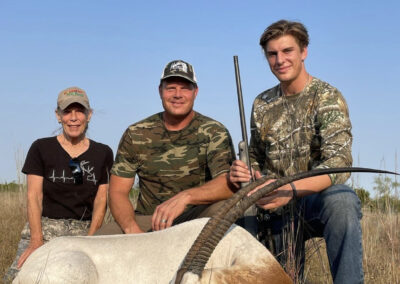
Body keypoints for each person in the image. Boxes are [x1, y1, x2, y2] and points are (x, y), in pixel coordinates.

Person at [228, 20, 363, 283]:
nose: (280, 60)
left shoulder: (327, 96)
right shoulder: (261, 103)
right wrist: (245, 170)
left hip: (312, 201)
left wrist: (289, 191)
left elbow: (340, 161)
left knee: (342, 201)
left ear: (304, 52)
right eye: (272, 54)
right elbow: (255, 156)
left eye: (287, 51)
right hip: (273, 207)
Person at [95, 60, 236, 235]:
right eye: (171, 88)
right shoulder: (136, 133)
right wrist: (131, 229)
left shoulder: (215, 131)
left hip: (195, 217)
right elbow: (117, 192)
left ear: (195, 92)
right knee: (104, 235)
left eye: (185, 88)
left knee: (222, 209)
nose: (178, 94)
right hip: (150, 220)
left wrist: (186, 197)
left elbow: (228, 183)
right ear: (160, 91)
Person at [4, 87, 114, 283]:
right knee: (18, 277)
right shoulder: (41, 148)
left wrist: (90, 240)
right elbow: (34, 197)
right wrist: (36, 240)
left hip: (84, 230)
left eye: (79, 111)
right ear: (58, 115)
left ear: (89, 115)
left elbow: (101, 200)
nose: (73, 118)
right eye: (67, 111)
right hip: (45, 227)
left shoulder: (103, 152)